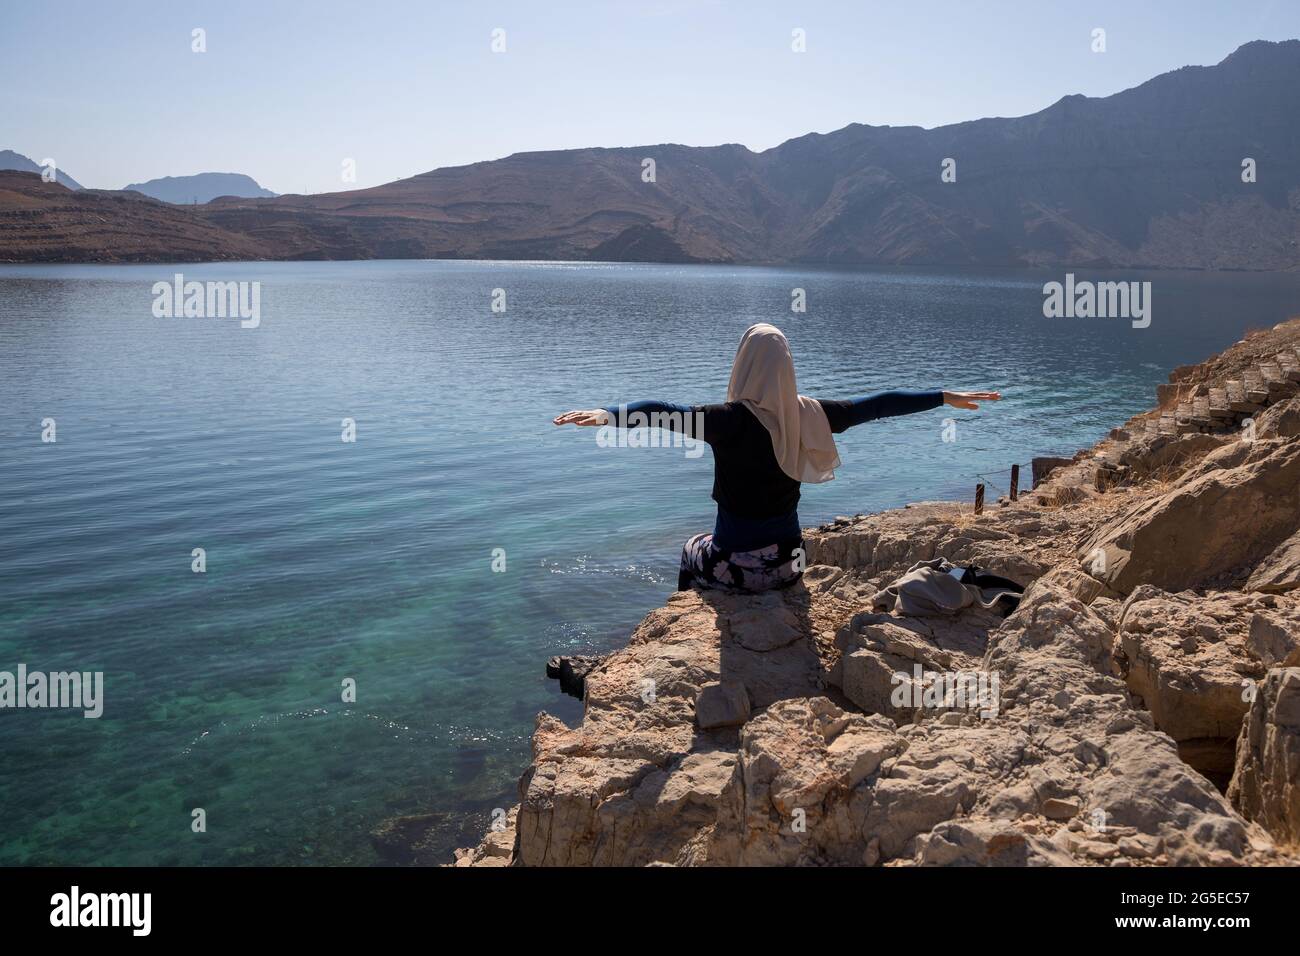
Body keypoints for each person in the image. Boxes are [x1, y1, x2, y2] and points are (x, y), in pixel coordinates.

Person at [554, 323, 1000, 593]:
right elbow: (879, 404)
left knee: (691, 549)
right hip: (792, 564)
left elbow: (664, 413)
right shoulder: (812, 414)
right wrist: (943, 396)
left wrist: (606, 415)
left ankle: (695, 610)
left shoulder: (727, 421)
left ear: (743, 364)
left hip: (740, 571)